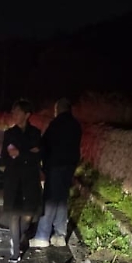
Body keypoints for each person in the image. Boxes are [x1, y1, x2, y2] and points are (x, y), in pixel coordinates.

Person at [31, 97, 82, 247]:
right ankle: (60, 235)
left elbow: (45, 144)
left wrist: (40, 163)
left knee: (50, 200)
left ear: (58, 109)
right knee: (61, 199)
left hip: (55, 166)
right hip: (70, 166)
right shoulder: (76, 125)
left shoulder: (56, 124)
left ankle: (42, 236)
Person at [0, 99, 42, 263]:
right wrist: (28, 153)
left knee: (27, 216)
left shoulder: (35, 133)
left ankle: (17, 237)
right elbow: (5, 157)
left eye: (18, 112)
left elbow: (38, 156)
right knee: (14, 215)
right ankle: (15, 250)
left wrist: (20, 153)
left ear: (27, 114)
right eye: (14, 112)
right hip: (13, 179)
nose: (15, 115)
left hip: (30, 179)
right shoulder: (9, 134)